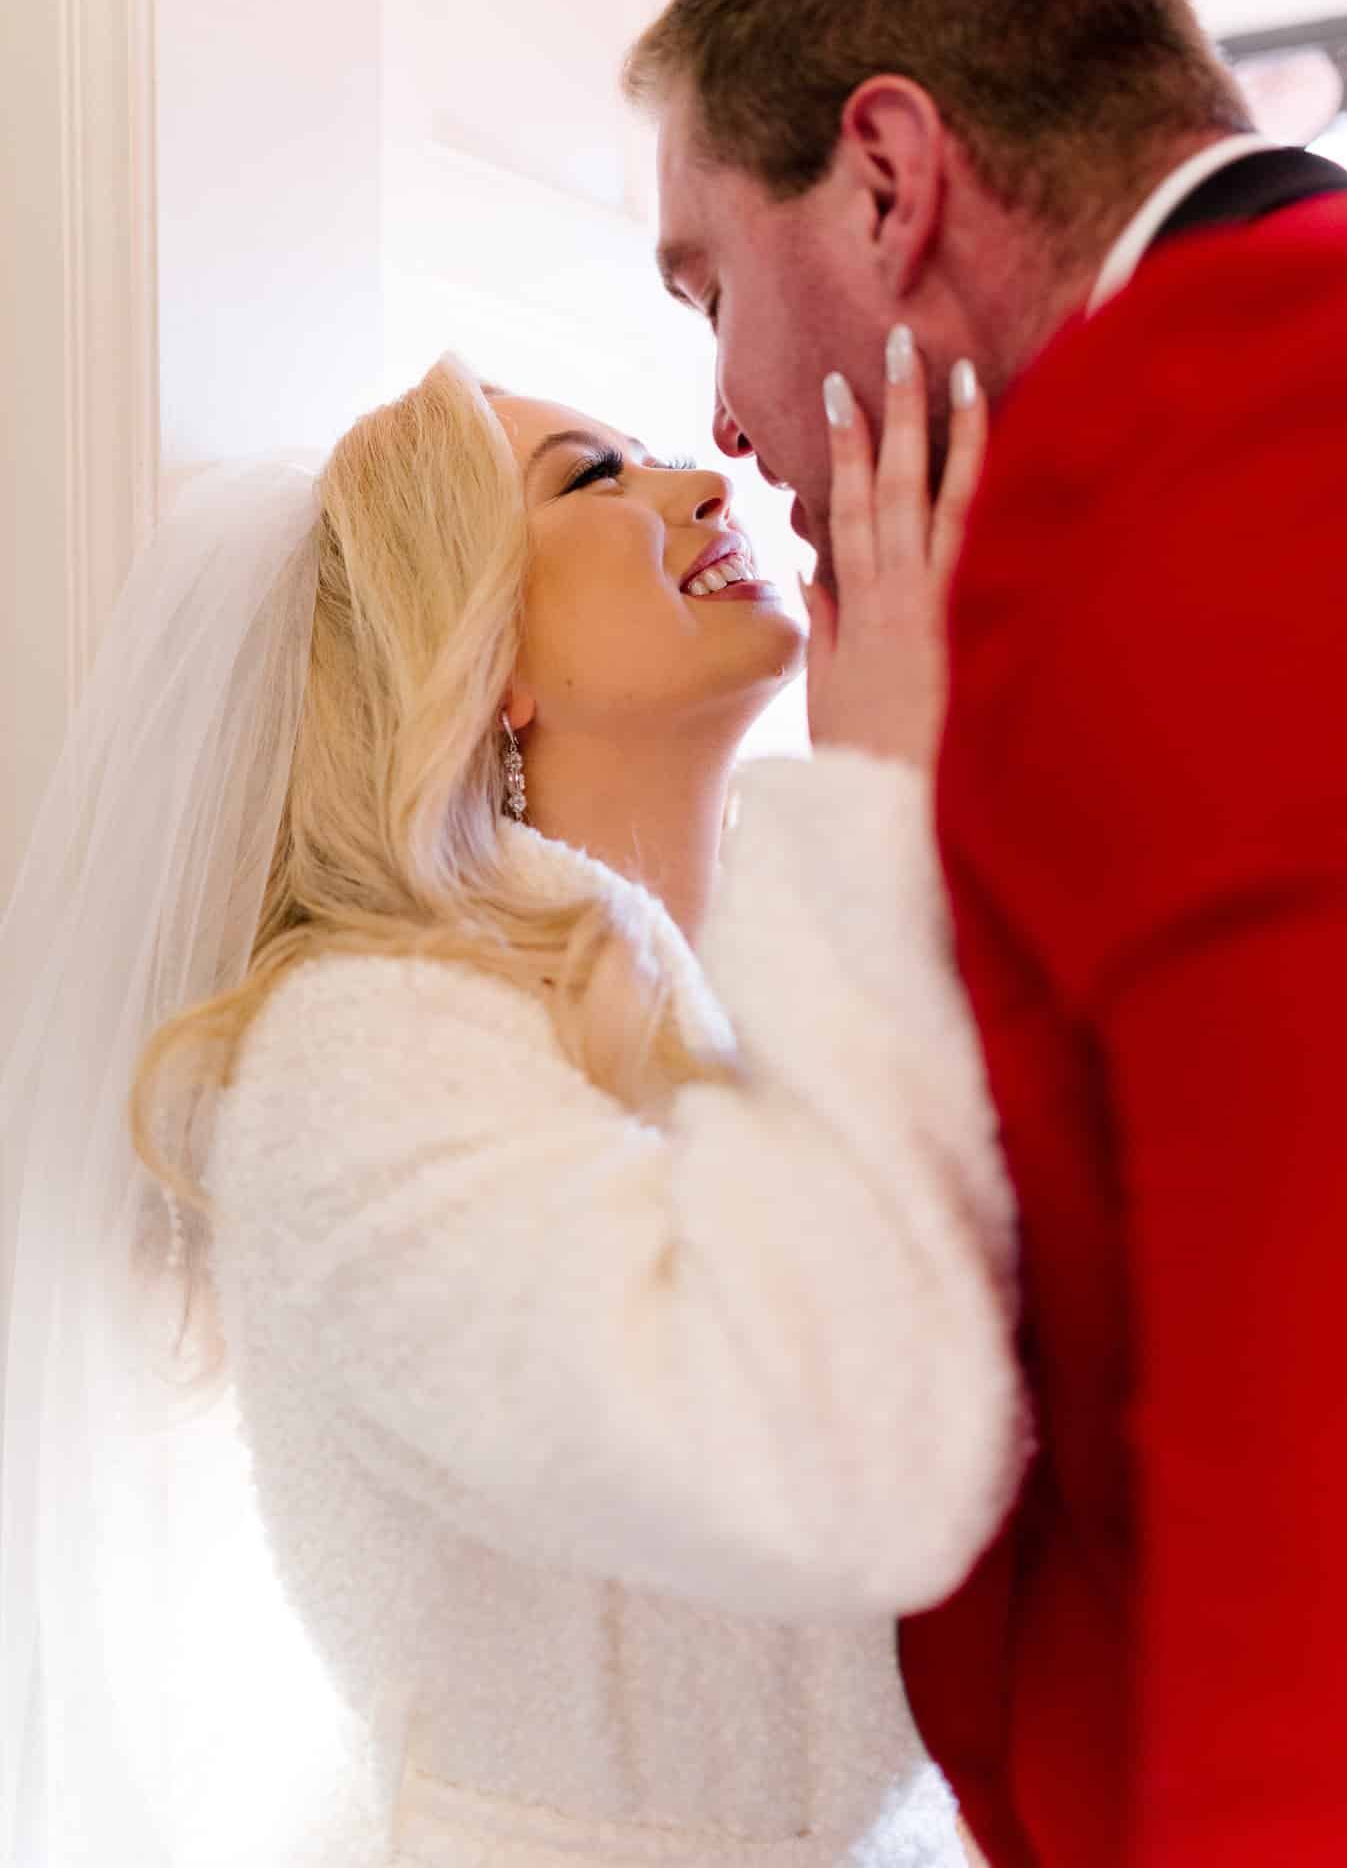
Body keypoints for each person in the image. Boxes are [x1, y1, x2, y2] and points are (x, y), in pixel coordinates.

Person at [0, 353, 1023, 1867]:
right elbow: (760, 1446)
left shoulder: (776, 1022)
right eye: (592, 479)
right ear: (478, 653)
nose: (704, 484)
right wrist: (884, 802)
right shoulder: (351, 1049)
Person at [623, 0, 1347, 1865]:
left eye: (708, 287)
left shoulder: (1204, 443)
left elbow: (1305, 1421)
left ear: (885, 179)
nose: (729, 422)